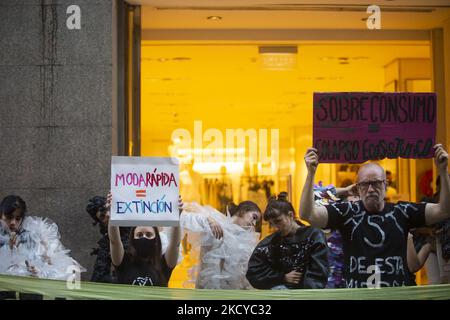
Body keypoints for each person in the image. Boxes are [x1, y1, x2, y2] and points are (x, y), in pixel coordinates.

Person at [300, 144, 450, 288]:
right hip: (358, 295)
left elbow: (443, 210)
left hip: (395, 295)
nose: (371, 189)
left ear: (385, 185)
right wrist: (311, 173)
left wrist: (443, 171)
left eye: (376, 183)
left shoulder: (402, 211)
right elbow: (307, 214)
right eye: (365, 184)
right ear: (357, 188)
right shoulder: (347, 212)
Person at [246, 192, 329, 289]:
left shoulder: (314, 236)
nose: (275, 227)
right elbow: (253, 274)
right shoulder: (270, 243)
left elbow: (318, 274)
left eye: (278, 221)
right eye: (271, 224)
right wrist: (282, 277)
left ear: (290, 215)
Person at [180, 200, 261, 289]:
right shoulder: (215, 220)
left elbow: (243, 275)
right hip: (206, 289)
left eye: (256, 222)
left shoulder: (245, 241)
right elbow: (184, 212)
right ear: (244, 210)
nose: (254, 223)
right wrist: (208, 220)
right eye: (254, 217)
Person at [0, 195, 84, 279]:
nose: (13, 222)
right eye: (9, 217)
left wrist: (38, 269)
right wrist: (10, 250)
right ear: (1, 216)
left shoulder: (33, 235)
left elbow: (50, 263)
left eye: (18, 219)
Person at [107, 193, 182, 286]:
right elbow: (114, 241)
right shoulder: (123, 261)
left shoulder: (164, 264)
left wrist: (176, 217)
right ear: (132, 239)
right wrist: (113, 214)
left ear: (156, 240)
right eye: (139, 235)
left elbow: (175, 243)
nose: (144, 237)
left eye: (149, 234)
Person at [86, 196, 130, 283]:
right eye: (102, 216)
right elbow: (99, 277)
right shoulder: (106, 243)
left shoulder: (137, 230)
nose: (108, 215)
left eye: (108, 209)